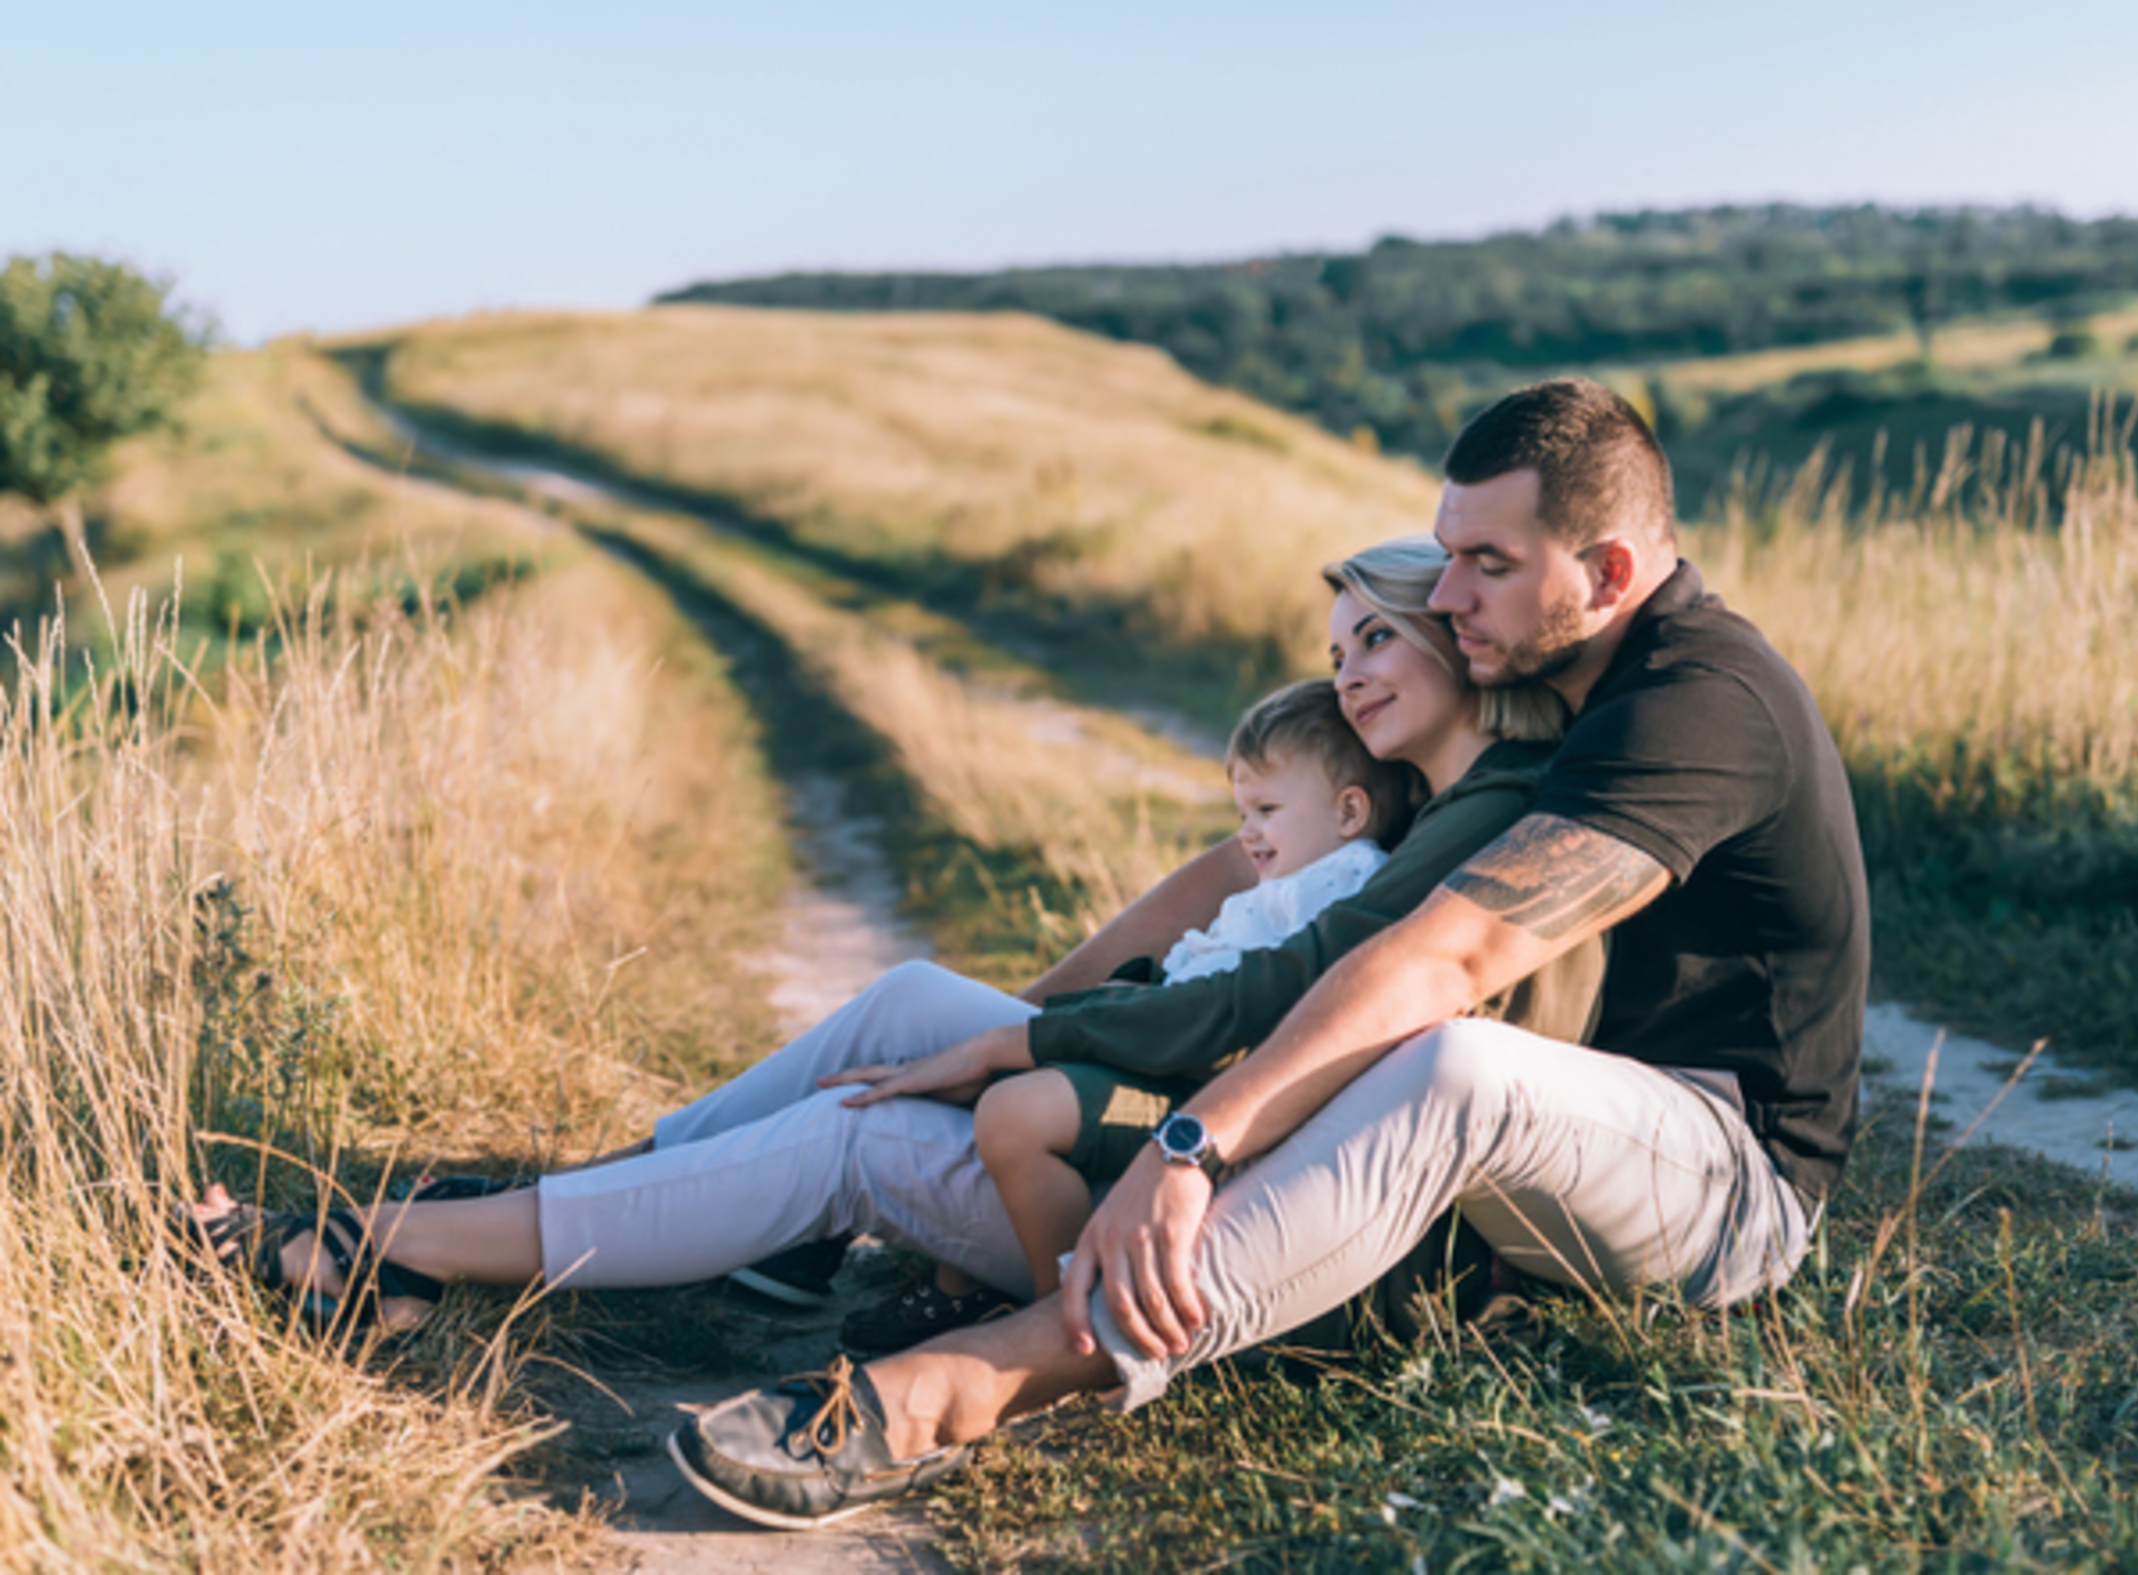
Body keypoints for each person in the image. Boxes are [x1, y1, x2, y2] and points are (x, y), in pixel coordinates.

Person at [662, 376, 1871, 1533]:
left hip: (1724, 1181)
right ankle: (624, 1192)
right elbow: (1264, 876)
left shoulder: (1697, 702)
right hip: (1531, 1173)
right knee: (933, 1012)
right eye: (1447, 554)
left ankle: (949, 1394)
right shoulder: (1554, 687)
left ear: (1609, 573)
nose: (1448, 597)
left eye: (1489, 564)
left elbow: (1443, 960)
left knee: (1457, 1064)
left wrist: (1195, 1143)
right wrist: (1037, 1018)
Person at [179, 537, 1594, 1354]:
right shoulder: (1410, 793)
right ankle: (590, 1189)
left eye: (1377, 645)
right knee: (911, 998)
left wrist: (1012, 1046)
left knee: (853, 1131)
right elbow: (1224, 871)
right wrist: (1020, 1007)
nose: (1349, 676)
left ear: (1450, 646)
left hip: (1226, 1193)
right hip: (1171, 1113)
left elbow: (1269, 997)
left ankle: (386, 1248)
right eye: (1339, 650)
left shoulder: (1469, 815)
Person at [958, 678, 1410, 1304]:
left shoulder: (1343, 882)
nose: (1247, 834)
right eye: (1242, 813)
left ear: (1350, 813)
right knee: (995, 1087)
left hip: (1204, 1090)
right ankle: (960, 1280)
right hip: (1166, 1055)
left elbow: (1248, 1009)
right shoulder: (1288, 881)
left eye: (1268, 812)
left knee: (1013, 1114)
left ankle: (1058, 1307)